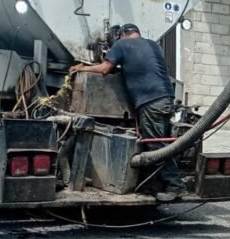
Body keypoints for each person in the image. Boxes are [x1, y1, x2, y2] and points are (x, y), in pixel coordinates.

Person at [69, 23, 185, 202]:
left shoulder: (121, 45)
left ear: (122, 35)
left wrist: (81, 68)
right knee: (157, 142)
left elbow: (105, 69)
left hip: (151, 102)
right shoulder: (153, 45)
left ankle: (175, 185)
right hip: (166, 98)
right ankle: (153, 185)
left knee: (156, 146)